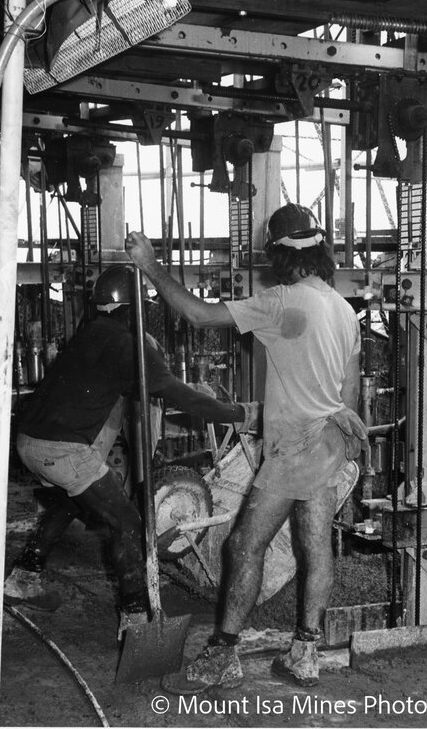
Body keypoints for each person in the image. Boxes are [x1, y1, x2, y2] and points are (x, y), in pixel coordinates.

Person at [125, 203, 367, 690]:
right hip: (329, 443)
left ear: (279, 256)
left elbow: (197, 314)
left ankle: (223, 654)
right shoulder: (344, 310)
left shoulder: (281, 302)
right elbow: (350, 395)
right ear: (320, 250)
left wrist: (149, 265)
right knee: (315, 547)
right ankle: (304, 654)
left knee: (243, 544)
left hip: (295, 448)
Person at [4, 265, 257, 638]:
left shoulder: (87, 335)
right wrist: (236, 414)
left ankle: (24, 577)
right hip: (64, 450)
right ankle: (136, 620)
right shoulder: (130, 345)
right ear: (136, 308)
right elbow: (174, 392)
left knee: (73, 500)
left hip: (28, 443)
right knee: (128, 524)